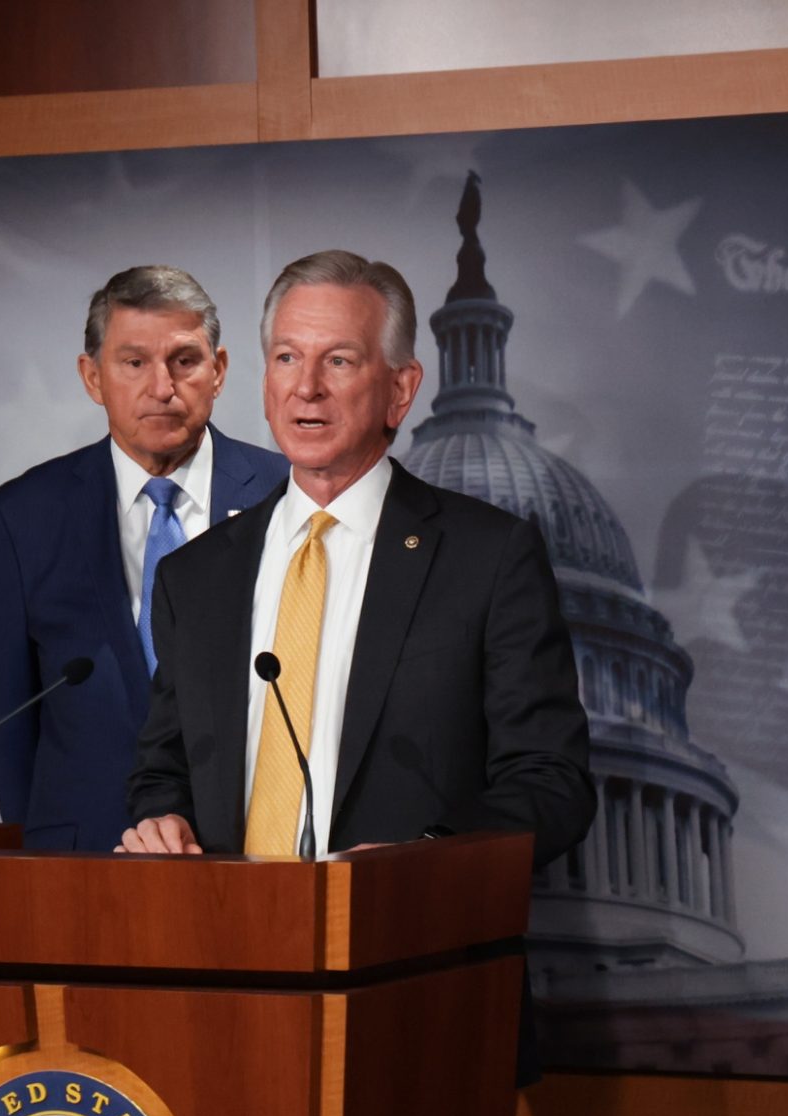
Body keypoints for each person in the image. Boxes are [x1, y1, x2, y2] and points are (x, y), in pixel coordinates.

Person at [119, 249, 592, 876]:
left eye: (338, 361)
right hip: (229, 950)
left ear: (401, 389)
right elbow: (163, 771)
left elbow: (551, 780)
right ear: (264, 384)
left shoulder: (489, 557)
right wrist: (163, 819)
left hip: (407, 947)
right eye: (287, 357)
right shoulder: (196, 576)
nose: (306, 386)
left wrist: (426, 862)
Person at [0, 265, 288, 849]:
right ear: (92, 377)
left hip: (249, 853)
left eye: (184, 361)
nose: (162, 387)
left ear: (218, 371)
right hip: (83, 856)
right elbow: (11, 721)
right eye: (134, 362)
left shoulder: (285, 495)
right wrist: (41, 855)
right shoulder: (25, 515)